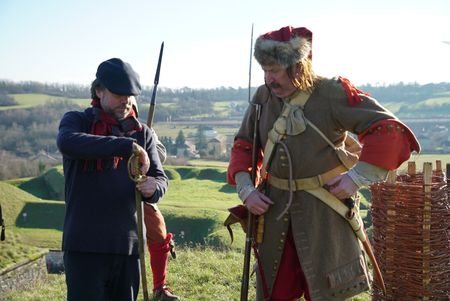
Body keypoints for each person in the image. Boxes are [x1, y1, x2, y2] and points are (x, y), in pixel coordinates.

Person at [227, 26, 420, 301]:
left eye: (275, 71)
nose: (269, 79)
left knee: (326, 294)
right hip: (274, 212)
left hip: (324, 213)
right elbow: (244, 145)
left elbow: (387, 128)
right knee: (274, 293)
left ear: (296, 67)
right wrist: (247, 190)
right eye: (265, 70)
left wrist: (356, 177)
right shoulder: (262, 96)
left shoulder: (331, 92)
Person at [57, 58, 172, 301]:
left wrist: (154, 188)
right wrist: (125, 146)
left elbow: (160, 179)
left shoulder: (143, 133)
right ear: (99, 90)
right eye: (120, 94)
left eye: (131, 95)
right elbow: (67, 142)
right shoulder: (78, 121)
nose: (127, 101)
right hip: (84, 247)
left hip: (128, 248)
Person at [145, 129, 180, 301]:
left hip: (142, 191)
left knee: (159, 236)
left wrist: (149, 141)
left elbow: (159, 157)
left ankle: (159, 288)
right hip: (111, 194)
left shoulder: (143, 131)